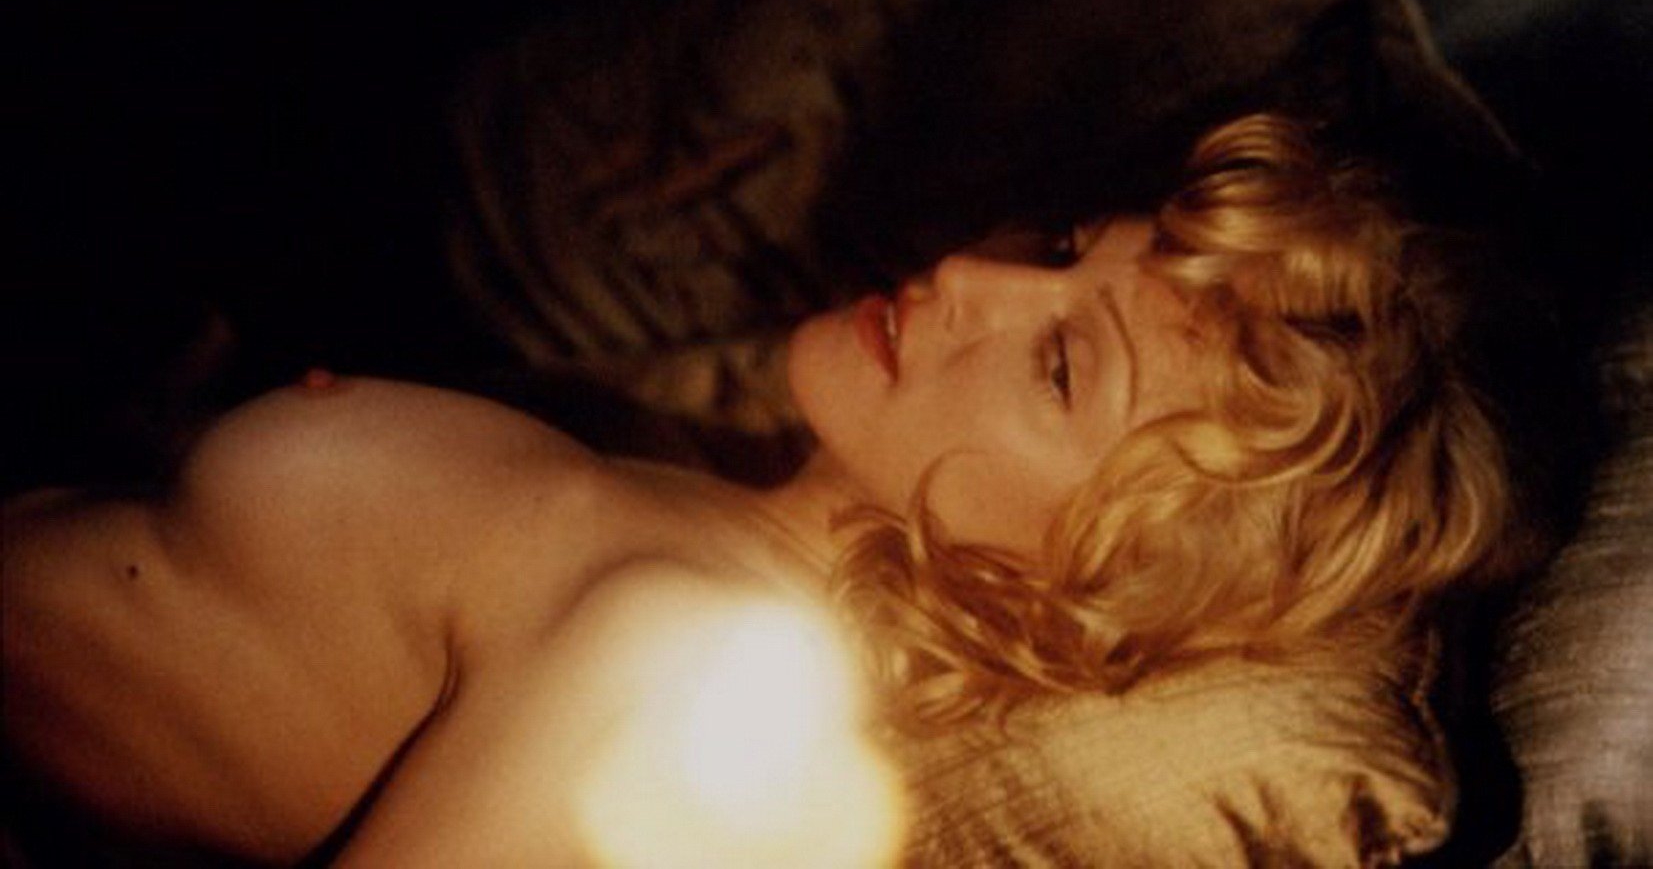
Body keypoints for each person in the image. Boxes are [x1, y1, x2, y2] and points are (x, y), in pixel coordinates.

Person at [2, 113, 1517, 866]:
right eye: (1061, 249)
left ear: (1096, 574)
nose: (973, 276)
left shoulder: (694, 661)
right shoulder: (713, 530)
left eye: (1062, 364)